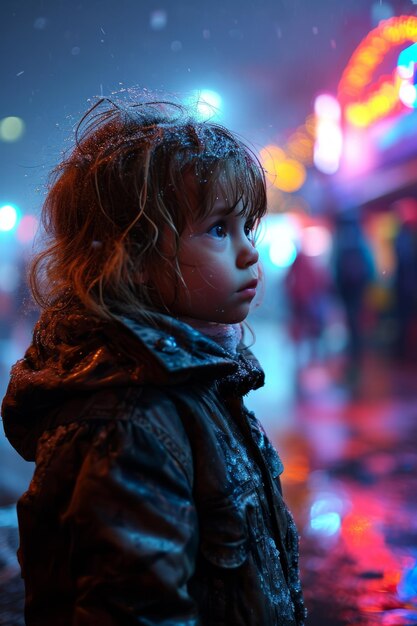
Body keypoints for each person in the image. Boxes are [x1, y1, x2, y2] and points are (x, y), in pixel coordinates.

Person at [1, 94, 306, 626]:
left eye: (246, 227)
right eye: (218, 229)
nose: (249, 251)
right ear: (134, 257)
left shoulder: (198, 379)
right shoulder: (126, 422)